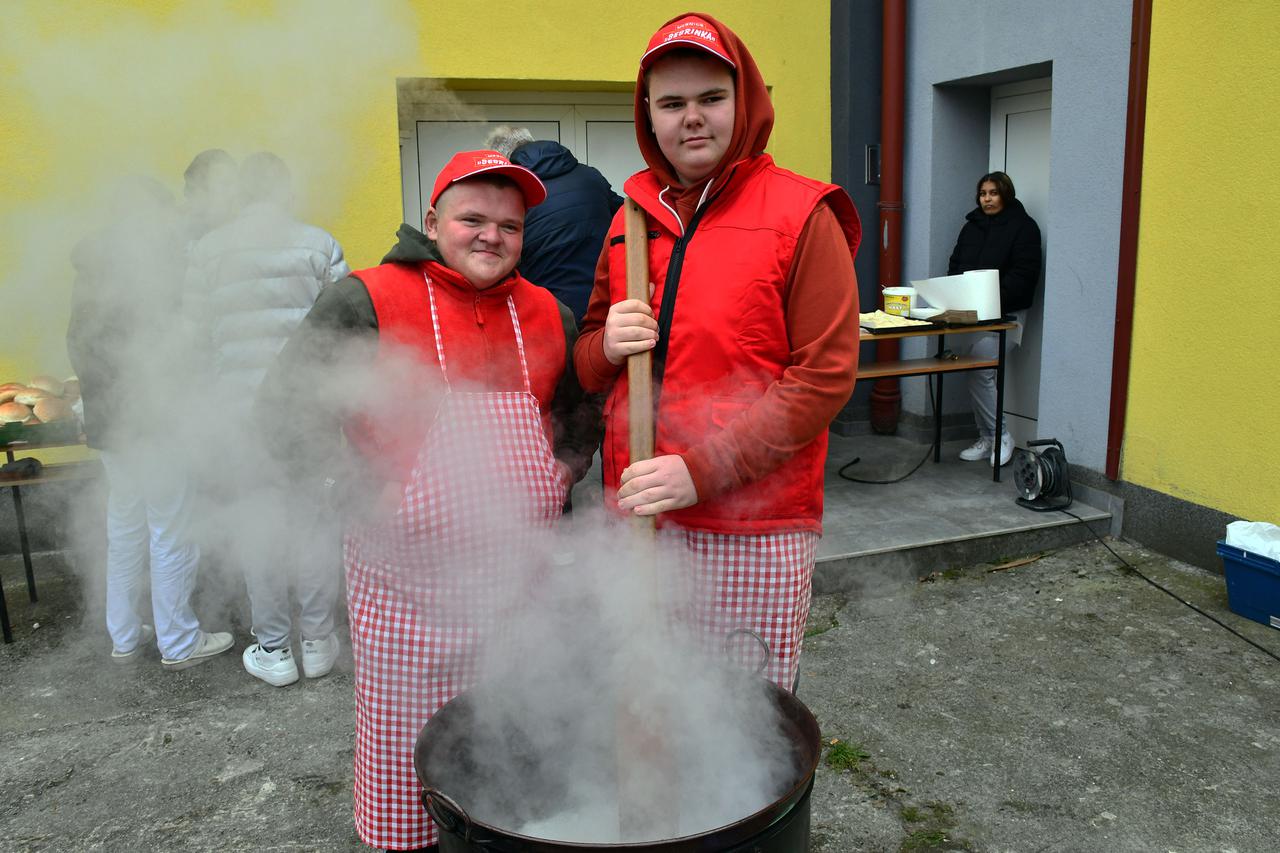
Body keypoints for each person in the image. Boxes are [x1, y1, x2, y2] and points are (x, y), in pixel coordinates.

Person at [254, 150, 599, 851]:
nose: (491, 237)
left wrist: (566, 469)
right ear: (434, 220)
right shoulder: (366, 296)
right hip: (407, 586)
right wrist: (355, 485)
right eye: (473, 218)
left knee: (512, 734)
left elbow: (578, 411)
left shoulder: (547, 312)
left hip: (518, 580)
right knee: (408, 744)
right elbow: (282, 413)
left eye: (510, 225)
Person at [573, 14, 862, 691]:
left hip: (755, 528)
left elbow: (823, 379)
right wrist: (606, 346)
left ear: (746, 101)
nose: (691, 118)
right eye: (672, 103)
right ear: (649, 115)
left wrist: (702, 470)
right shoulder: (629, 220)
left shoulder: (802, 214)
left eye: (711, 98)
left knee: (741, 731)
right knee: (647, 710)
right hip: (639, 520)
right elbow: (585, 364)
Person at [186, 152, 351, 687]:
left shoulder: (208, 251)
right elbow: (345, 334)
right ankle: (319, 641)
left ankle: (275, 649)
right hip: (308, 412)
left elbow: (192, 337)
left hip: (241, 417)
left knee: (260, 528)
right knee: (313, 525)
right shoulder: (319, 244)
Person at [66, 176, 234, 670]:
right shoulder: (154, 267)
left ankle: (123, 635)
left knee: (125, 527)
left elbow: (81, 348)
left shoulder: (91, 268)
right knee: (170, 527)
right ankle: (178, 641)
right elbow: (179, 345)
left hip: (110, 422)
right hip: (154, 420)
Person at [946, 171, 1042, 466]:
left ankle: (1000, 436)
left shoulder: (1024, 228)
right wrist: (955, 294)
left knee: (979, 370)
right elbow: (955, 264)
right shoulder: (971, 227)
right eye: (983, 193)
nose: (987, 198)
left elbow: (1024, 275)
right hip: (970, 315)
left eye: (993, 193)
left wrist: (990, 299)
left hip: (1007, 315)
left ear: (1006, 195)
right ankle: (987, 438)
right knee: (976, 372)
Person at [483, 126, 623, 322]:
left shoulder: (513, 193)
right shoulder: (590, 175)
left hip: (549, 313)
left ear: (505, 159)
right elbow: (626, 215)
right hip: (604, 305)